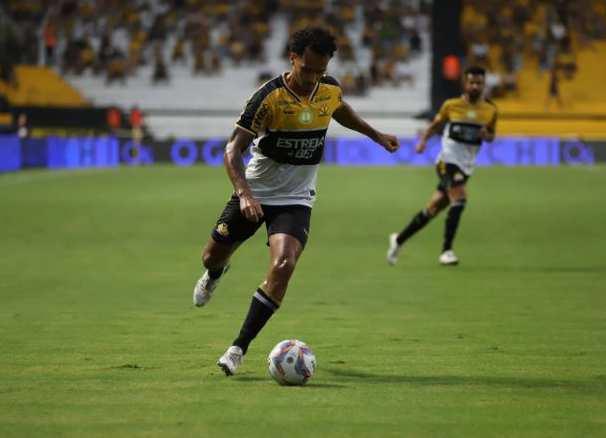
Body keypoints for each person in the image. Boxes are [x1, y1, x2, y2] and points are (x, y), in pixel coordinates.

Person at [193, 27, 399, 376]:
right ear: (293, 59)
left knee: (284, 264)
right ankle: (215, 273)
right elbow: (232, 150)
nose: (312, 78)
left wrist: (375, 135)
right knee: (211, 256)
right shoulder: (268, 97)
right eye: (307, 69)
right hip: (256, 191)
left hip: (295, 198)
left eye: (320, 71)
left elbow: (339, 109)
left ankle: (237, 348)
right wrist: (245, 194)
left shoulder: (328, 89)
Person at [387, 65, 497, 266]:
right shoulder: (451, 105)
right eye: (471, 82)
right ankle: (447, 251)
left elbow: (491, 136)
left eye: (479, 83)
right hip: (447, 161)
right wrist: (423, 141)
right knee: (460, 199)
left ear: (484, 84)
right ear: (465, 83)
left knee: (433, 208)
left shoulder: (490, 110)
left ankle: (398, 240)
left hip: (466, 165)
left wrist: (486, 135)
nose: (475, 86)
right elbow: (435, 124)